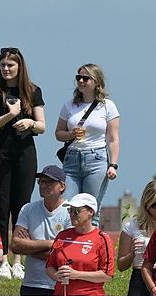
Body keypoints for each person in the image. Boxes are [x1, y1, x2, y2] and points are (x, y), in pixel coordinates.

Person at [0, 47, 45, 281]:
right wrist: (10, 115)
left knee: (22, 207)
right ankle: (2, 260)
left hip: (25, 153)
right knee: (0, 207)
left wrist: (29, 122)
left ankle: (18, 261)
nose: (6, 69)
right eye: (3, 65)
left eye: (10, 65)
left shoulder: (33, 90)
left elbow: (42, 125)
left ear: (20, 66)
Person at [54, 63, 119, 220]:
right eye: (79, 78)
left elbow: (113, 138)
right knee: (68, 209)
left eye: (86, 78)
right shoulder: (69, 105)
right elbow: (58, 134)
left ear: (96, 81)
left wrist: (113, 165)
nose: (81, 81)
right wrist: (71, 134)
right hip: (72, 159)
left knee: (91, 210)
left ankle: (93, 237)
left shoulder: (107, 106)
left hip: (96, 158)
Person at [11, 165, 71, 296]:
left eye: (49, 182)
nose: (43, 185)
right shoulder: (28, 209)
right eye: (41, 182)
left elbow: (66, 255)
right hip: (30, 285)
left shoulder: (70, 212)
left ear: (62, 186)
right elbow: (15, 245)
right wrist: (52, 243)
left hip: (59, 285)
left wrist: (30, 248)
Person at [45, 193, 114, 296]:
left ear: (90, 212)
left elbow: (107, 275)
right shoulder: (62, 236)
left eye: (76, 211)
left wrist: (76, 274)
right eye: (70, 210)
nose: (72, 214)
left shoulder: (101, 238)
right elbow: (49, 267)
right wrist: (58, 276)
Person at [117, 180, 156, 296]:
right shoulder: (131, 227)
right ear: (146, 204)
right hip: (139, 278)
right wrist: (132, 253)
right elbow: (121, 266)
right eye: (155, 205)